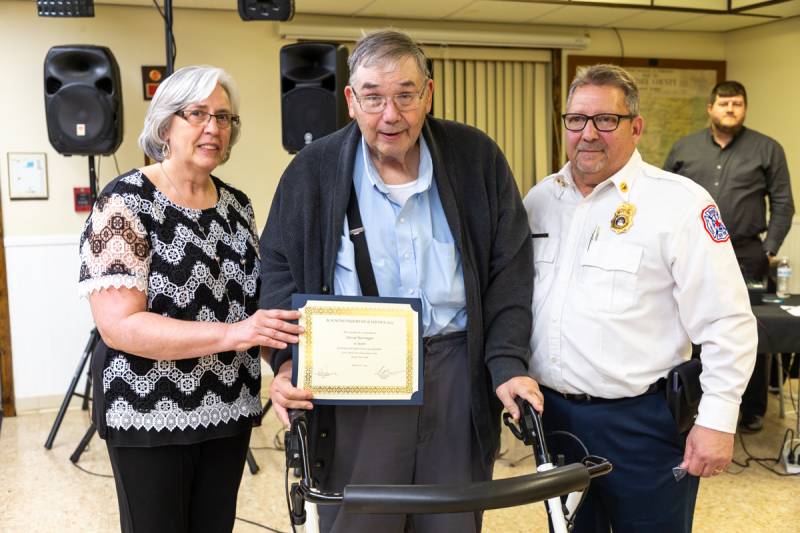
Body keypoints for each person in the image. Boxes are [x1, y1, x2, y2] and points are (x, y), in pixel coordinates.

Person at [261, 29, 541, 533]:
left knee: (451, 521)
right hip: (352, 382)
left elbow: (510, 272)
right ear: (350, 100)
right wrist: (286, 364)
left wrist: (507, 365)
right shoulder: (312, 171)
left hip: (455, 372)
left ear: (427, 94)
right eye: (373, 97)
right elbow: (278, 272)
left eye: (405, 95)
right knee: (360, 521)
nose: (390, 114)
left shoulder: (475, 159)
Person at [524, 64, 757, 533]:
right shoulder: (539, 200)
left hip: (641, 424)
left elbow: (727, 322)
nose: (588, 133)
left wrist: (717, 419)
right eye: (576, 119)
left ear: (636, 126)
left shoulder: (681, 204)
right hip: (557, 422)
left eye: (606, 120)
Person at [78, 65, 303, 533]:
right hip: (149, 414)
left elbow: (254, 311)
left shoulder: (237, 206)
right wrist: (232, 334)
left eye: (224, 118)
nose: (214, 128)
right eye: (197, 114)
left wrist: (283, 365)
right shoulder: (124, 202)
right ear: (165, 124)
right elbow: (119, 325)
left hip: (229, 412)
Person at [665, 81, 794, 433]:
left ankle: (750, 411)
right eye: (724, 103)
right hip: (691, 252)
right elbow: (665, 199)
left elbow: (783, 204)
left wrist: (770, 250)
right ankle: (690, 405)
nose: (731, 109)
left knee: (748, 331)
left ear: (745, 109)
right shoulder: (684, 148)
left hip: (747, 253)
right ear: (710, 108)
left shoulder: (768, 149)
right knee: (689, 328)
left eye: (737, 104)